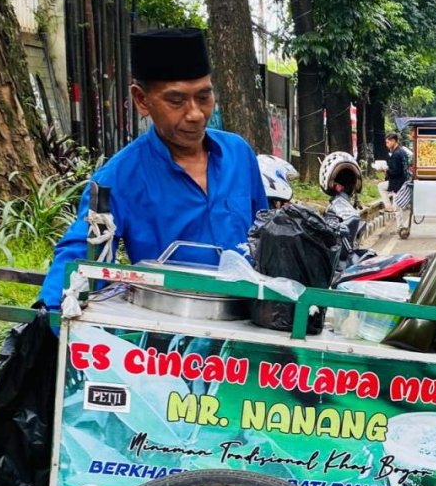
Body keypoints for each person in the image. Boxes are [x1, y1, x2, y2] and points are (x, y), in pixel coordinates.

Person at [39, 28, 268, 310]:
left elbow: (265, 233)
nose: (195, 114)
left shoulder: (239, 154)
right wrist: (51, 311)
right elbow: (82, 252)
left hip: (247, 325)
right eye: (176, 100)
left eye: (204, 96)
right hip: (165, 332)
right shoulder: (118, 178)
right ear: (141, 100)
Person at [378, 133, 410, 238]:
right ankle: (400, 228)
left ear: (393, 141)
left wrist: (386, 170)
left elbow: (396, 171)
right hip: (402, 181)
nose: (386, 144)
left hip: (397, 182)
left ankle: (388, 206)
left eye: (388, 142)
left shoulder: (396, 154)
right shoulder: (401, 151)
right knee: (397, 206)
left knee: (381, 187)